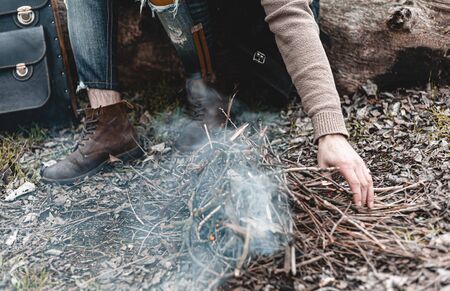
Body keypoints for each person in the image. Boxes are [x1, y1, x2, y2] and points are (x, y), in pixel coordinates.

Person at [42, 0, 374, 209]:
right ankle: (109, 122)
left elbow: (291, 16)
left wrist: (331, 132)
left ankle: (212, 96)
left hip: (252, 41)